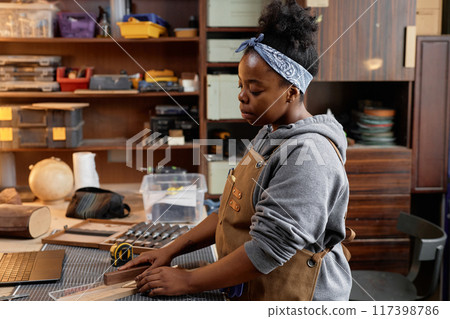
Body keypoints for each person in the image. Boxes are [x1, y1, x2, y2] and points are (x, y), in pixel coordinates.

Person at [120, 0, 352, 301]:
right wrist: (169, 249)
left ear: (292, 92)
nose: (242, 97)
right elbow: (230, 212)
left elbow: (270, 248)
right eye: (240, 85)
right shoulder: (269, 134)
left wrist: (188, 281)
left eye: (255, 90)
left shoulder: (310, 156)